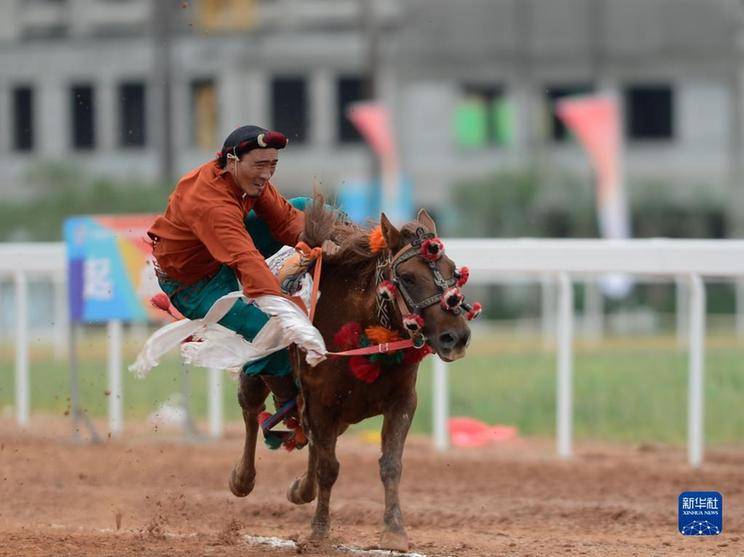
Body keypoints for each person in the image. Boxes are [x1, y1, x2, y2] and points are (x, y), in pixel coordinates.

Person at [147, 124, 329, 413]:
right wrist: (290, 319)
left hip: (219, 254)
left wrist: (326, 241)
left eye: (273, 165)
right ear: (232, 161)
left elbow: (285, 221)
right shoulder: (210, 203)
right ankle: (288, 409)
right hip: (194, 285)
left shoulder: (248, 179)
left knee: (312, 212)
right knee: (274, 335)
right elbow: (245, 258)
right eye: (260, 165)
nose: (267, 174)